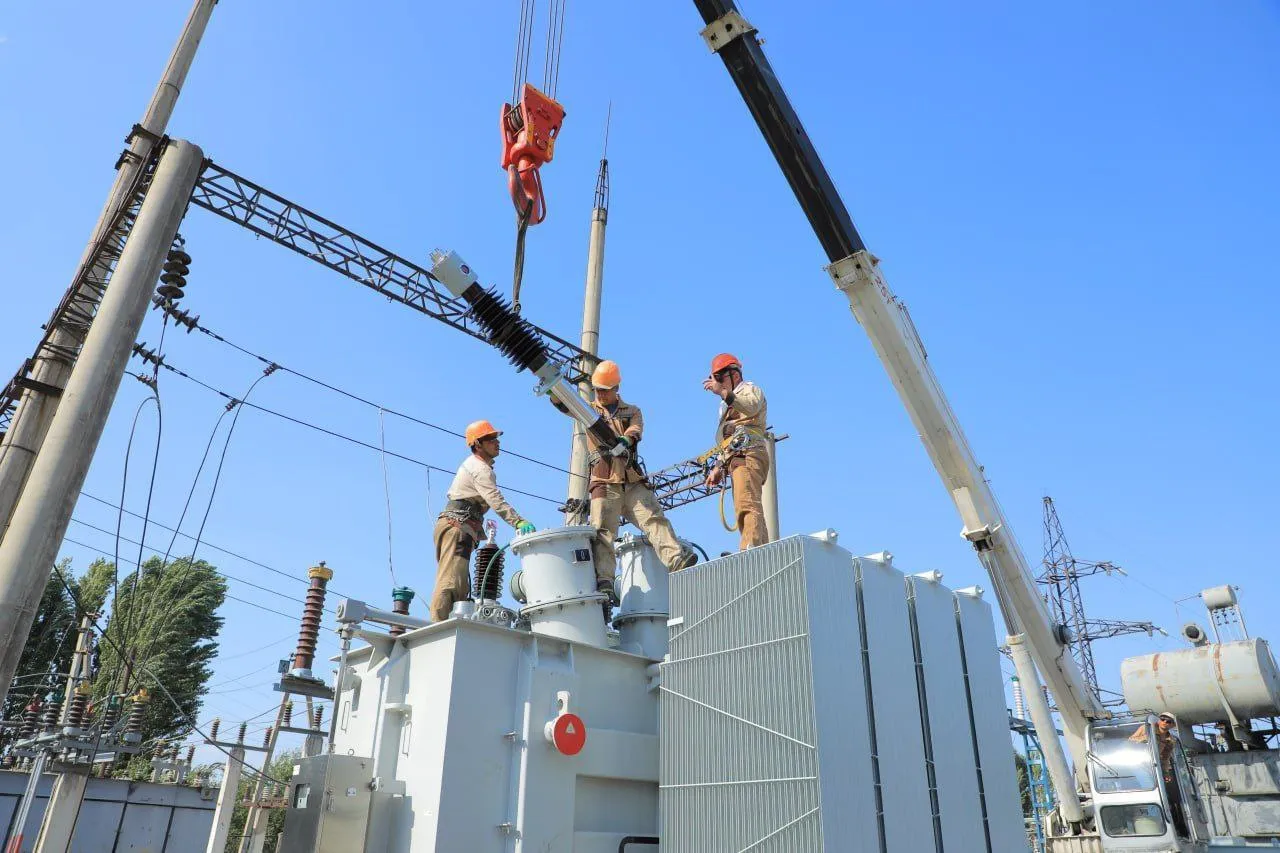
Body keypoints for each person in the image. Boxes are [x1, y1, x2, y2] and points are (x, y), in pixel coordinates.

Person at [557, 360, 695, 602]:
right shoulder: (588, 410)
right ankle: (606, 581)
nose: (600, 393)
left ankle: (676, 559)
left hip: (631, 479)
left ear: (616, 388)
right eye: (597, 389)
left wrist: (626, 440)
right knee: (603, 531)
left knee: (653, 518)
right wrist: (553, 389)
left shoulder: (631, 410)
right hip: (603, 479)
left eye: (605, 389)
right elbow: (564, 404)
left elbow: (636, 429)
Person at [430, 420, 536, 622]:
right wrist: (518, 522)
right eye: (490, 439)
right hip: (457, 526)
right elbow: (495, 499)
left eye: (496, 438)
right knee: (452, 581)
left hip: (459, 525)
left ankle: (451, 624)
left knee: (460, 584)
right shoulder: (479, 469)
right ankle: (438, 627)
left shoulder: (478, 467)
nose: (497, 442)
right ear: (478, 444)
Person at [702, 353, 770, 549]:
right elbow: (728, 441)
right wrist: (718, 467)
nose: (717, 384)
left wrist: (724, 393)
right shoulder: (726, 405)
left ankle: (750, 548)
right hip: (737, 455)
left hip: (749, 453)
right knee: (746, 503)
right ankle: (761, 549)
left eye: (720, 378)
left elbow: (751, 407)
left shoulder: (749, 389)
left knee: (746, 504)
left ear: (735, 375)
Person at [1131, 712, 1188, 837]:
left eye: (1168, 721)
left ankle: (1167, 823)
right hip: (1140, 765)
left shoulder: (1170, 740)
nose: (1164, 722)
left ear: (1172, 725)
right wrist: (1145, 739)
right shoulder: (1146, 729)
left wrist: (1166, 772)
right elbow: (1130, 741)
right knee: (1151, 790)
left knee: (1166, 793)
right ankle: (1151, 821)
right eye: (1163, 719)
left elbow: (1165, 758)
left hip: (1155, 767)